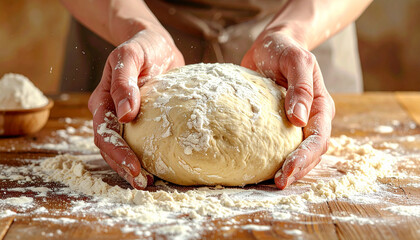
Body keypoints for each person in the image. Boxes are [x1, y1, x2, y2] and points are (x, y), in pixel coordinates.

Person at [60, 0, 372, 190]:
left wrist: (292, 33)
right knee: (125, 108)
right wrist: (135, 27)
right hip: (127, 24)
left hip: (304, 28)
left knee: (299, 116)